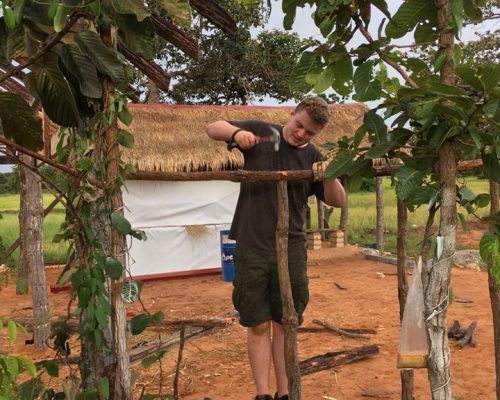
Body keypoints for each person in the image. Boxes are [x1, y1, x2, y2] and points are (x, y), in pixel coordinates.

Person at [206, 96, 346, 400]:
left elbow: (338, 199)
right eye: (299, 126)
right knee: (257, 324)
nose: (301, 135)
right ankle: (263, 393)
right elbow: (212, 127)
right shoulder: (262, 132)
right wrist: (234, 135)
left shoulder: (313, 156)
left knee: (286, 324)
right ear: (292, 114)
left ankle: (284, 393)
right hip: (252, 245)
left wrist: (330, 173)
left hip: (292, 247)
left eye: (309, 133)